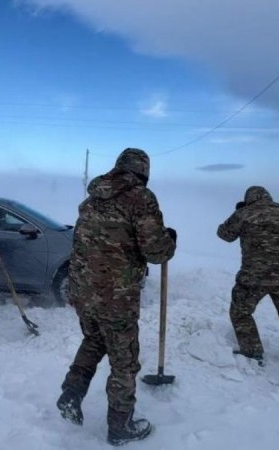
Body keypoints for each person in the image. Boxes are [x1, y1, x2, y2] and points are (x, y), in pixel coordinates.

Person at [56, 148, 177, 446]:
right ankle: (120, 426)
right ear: (143, 172)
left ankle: (71, 394)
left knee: (94, 341)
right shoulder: (141, 198)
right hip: (116, 298)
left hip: (83, 292)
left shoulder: (91, 200)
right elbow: (156, 251)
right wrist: (170, 240)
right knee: (124, 362)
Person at [216, 186, 279, 369]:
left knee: (241, 312)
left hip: (255, 277)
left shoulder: (244, 214)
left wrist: (239, 212)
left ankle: (252, 351)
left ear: (249, 200)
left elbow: (224, 234)